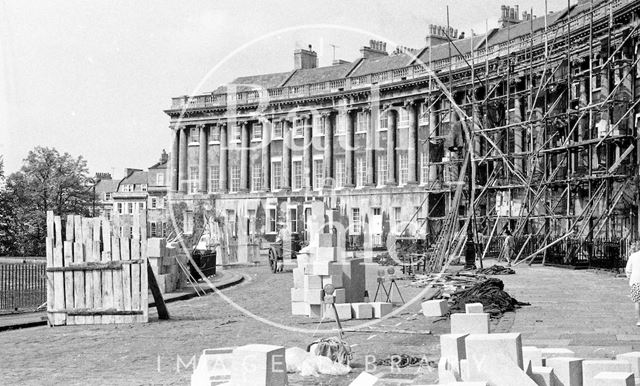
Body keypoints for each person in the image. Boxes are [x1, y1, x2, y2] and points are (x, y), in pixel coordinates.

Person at [625, 242, 640, 326]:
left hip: (636, 281)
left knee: (637, 302)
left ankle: (639, 320)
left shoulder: (633, 256)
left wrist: (630, 278)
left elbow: (628, 269)